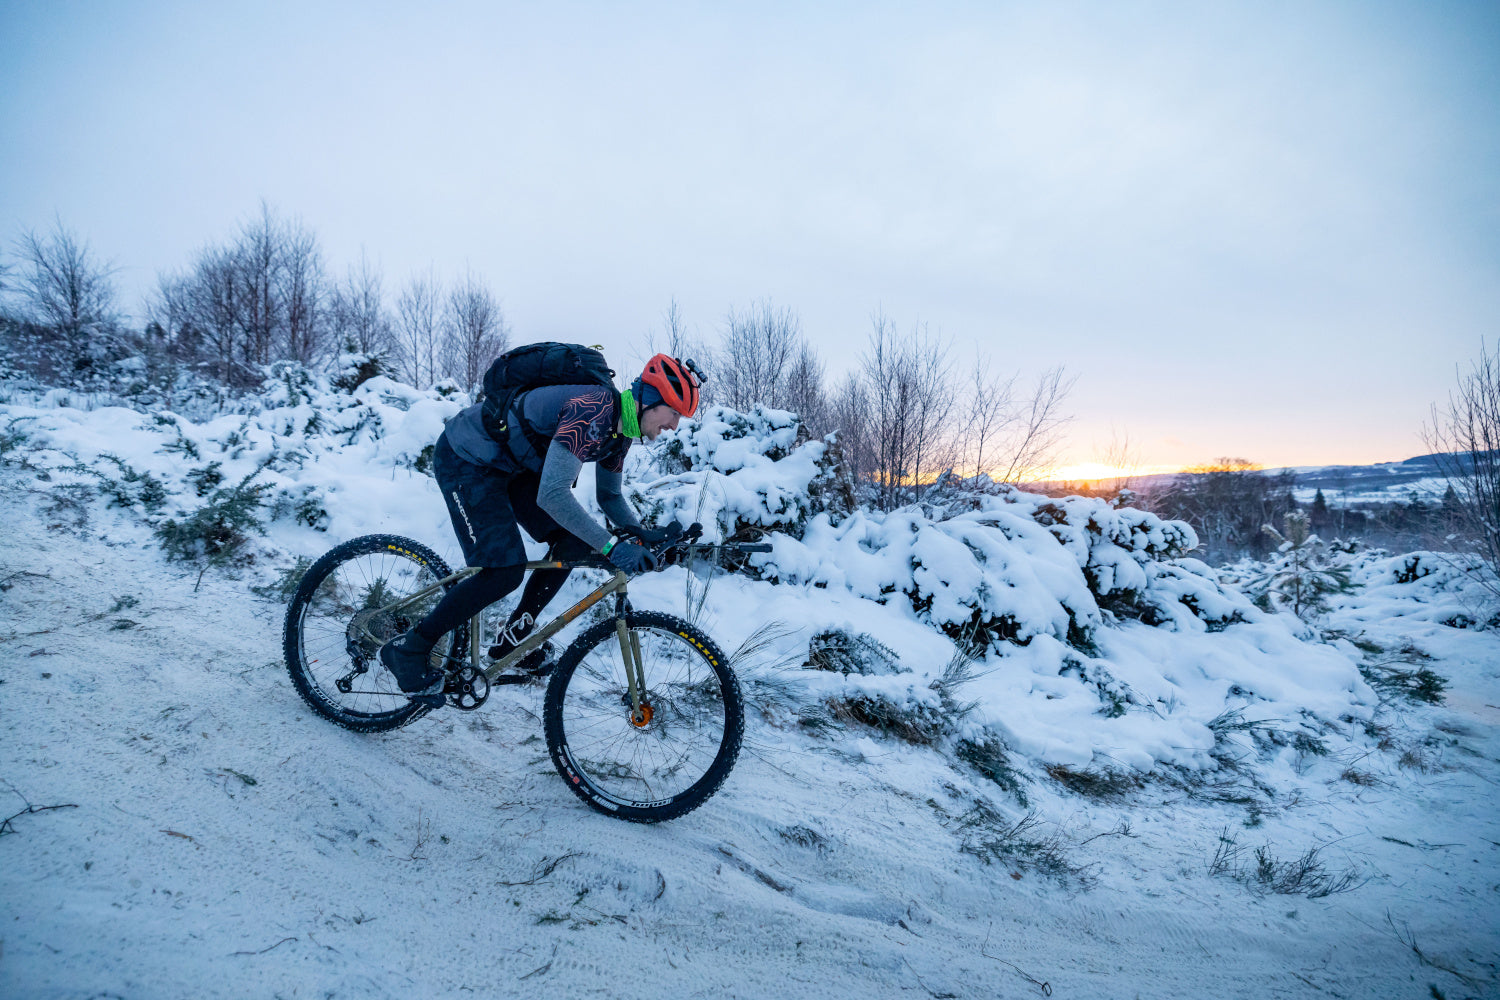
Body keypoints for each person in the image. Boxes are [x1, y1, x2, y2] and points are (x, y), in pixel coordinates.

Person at [379, 352, 702, 704]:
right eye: (673, 413)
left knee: (573, 543)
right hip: (468, 458)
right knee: (504, 571)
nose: (674, 425)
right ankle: (411, 649)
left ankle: (512, 639)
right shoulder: (592, 409)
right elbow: (552, 496)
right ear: (650, 401)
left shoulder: (619, 432)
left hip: (512, 468)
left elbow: (609, 496)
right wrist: (613, 547)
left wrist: (640, 536)